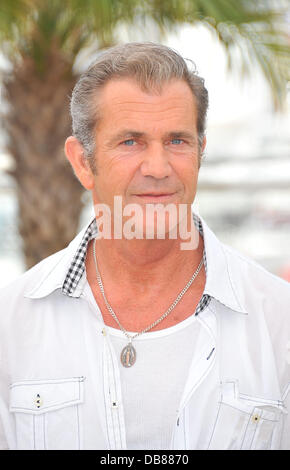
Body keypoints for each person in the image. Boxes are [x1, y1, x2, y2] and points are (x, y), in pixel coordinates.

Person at [0, 42, 289, 451]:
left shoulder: (279, 322)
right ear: (83, 162)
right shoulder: (11, 326)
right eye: (130, 142)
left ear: (200, 153)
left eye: (177, 141)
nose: (158, 168)